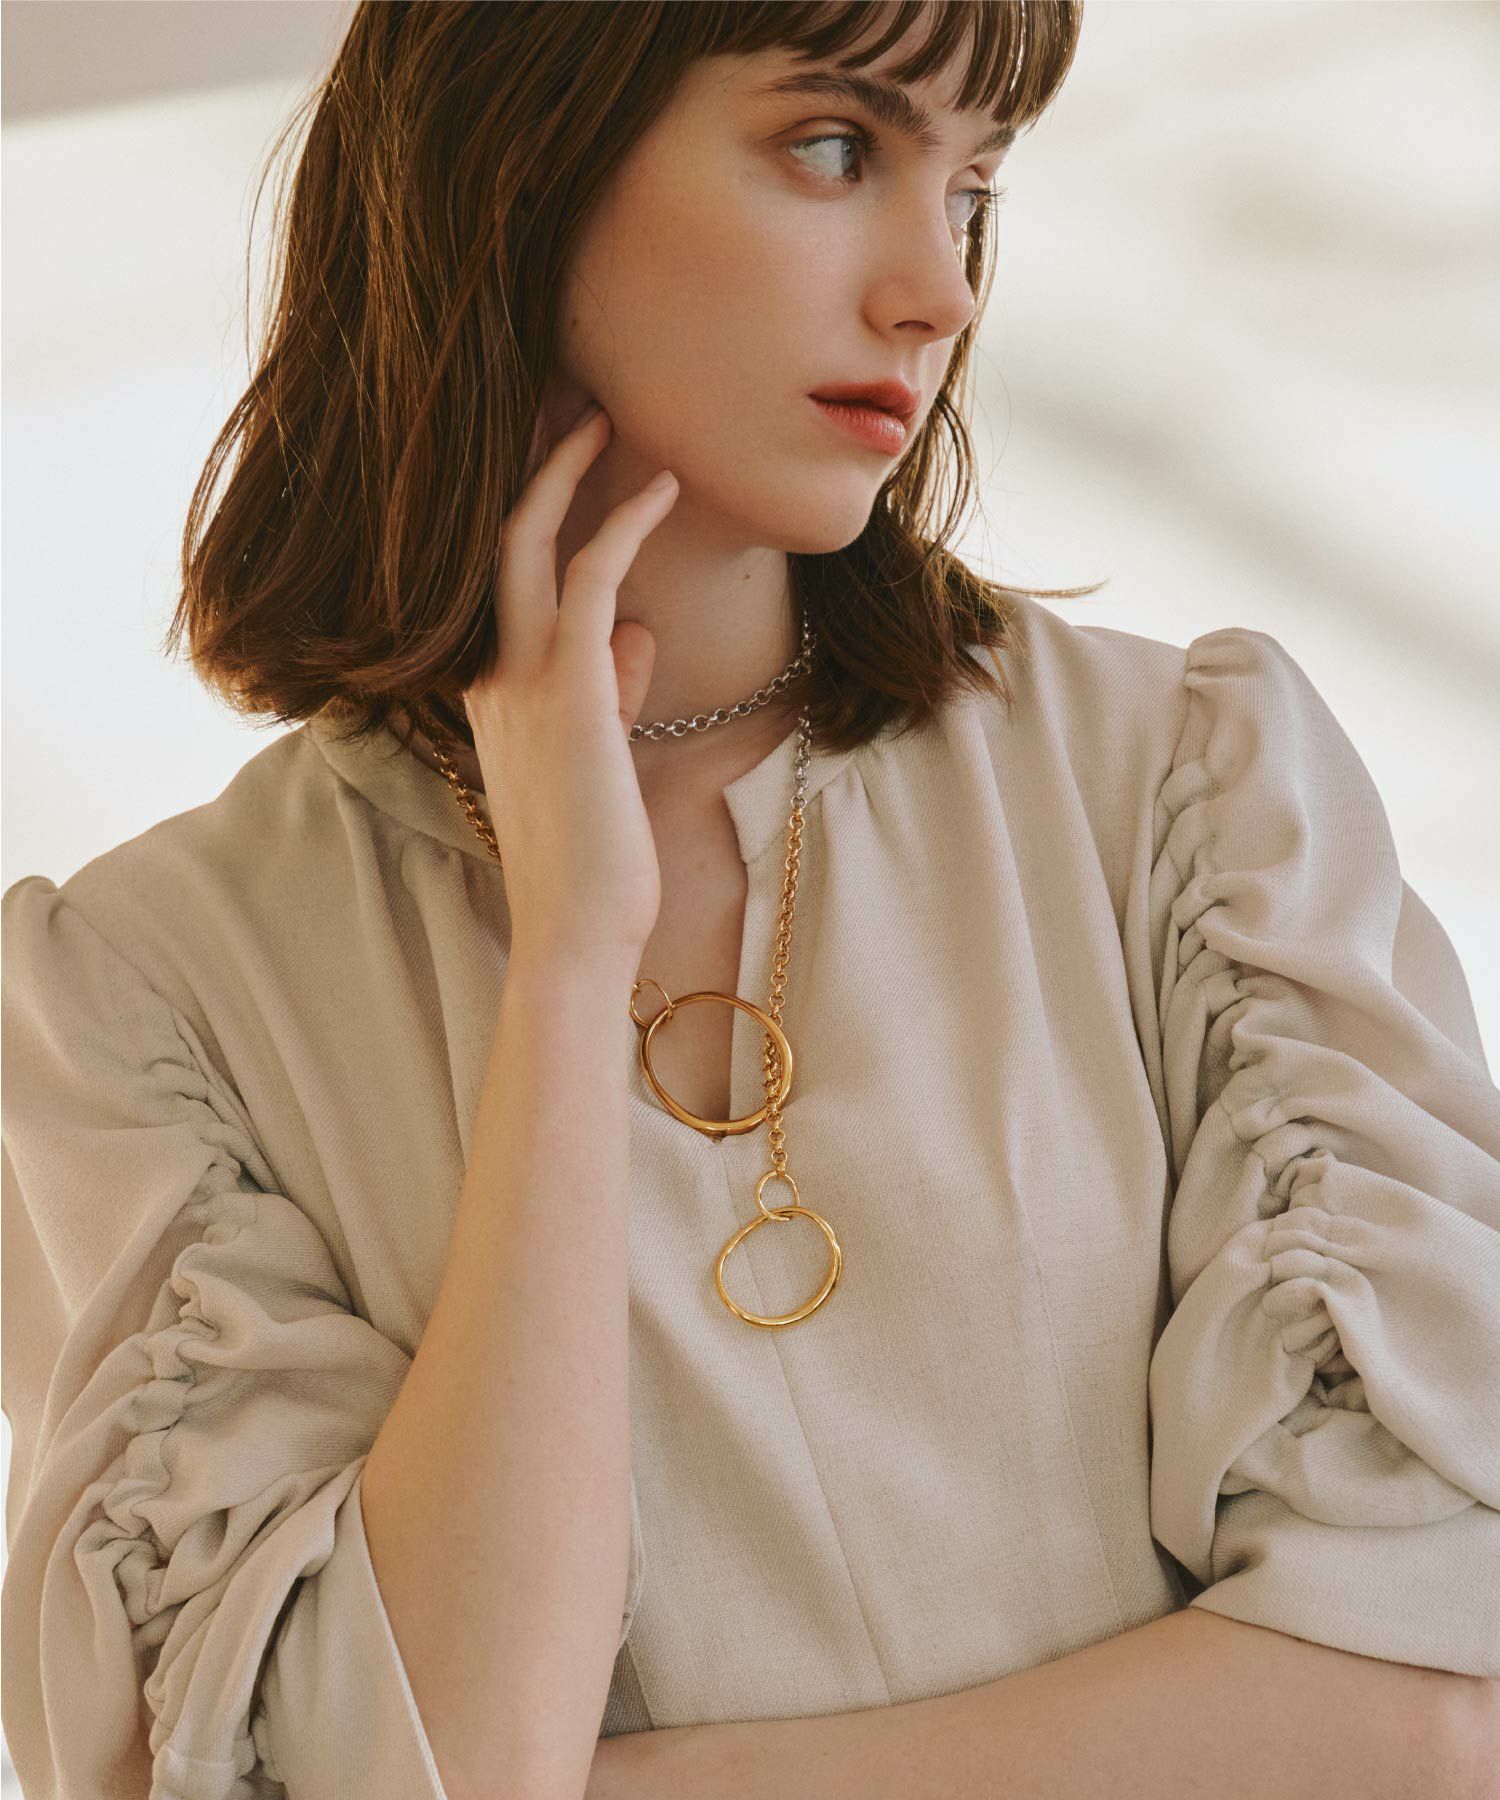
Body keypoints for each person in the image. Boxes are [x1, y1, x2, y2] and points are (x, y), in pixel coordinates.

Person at [5, 3, 1498, 1797]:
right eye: (833, 148)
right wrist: (569, 965)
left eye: (972, 190)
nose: (937, 294)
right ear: (522, 153)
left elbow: (1433, 1706)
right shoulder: (143, 1004)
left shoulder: (1181, 795)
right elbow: (424, 1757)